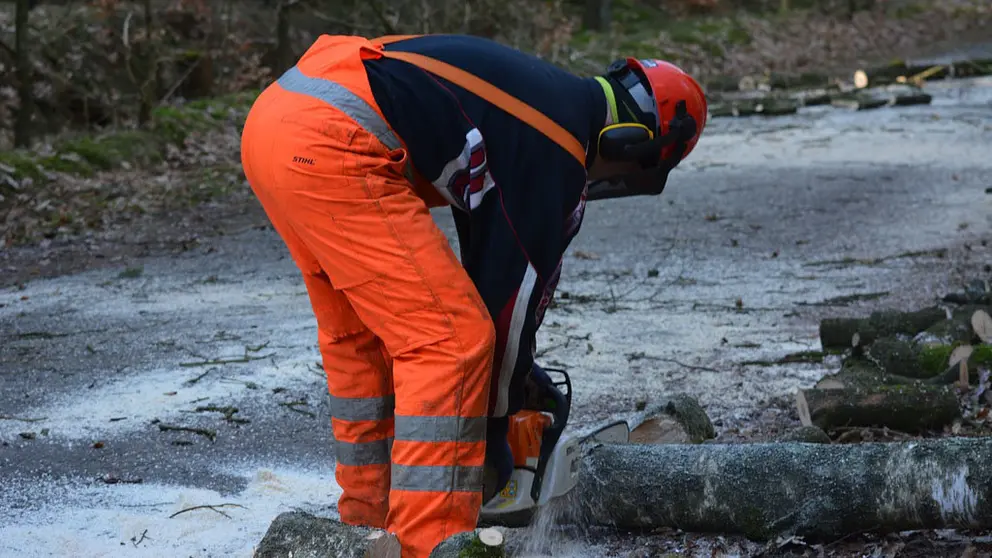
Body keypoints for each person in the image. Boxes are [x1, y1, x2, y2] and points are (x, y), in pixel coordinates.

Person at [239, 32, 707, 558]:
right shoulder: (556, 146)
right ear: (633, 144)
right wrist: (500, 423)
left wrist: (513, 390)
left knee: (365, 341)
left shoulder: (539, 97)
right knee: (452, 344)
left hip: (277, 123)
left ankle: (363, 529)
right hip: (336, 140)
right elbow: (507, 308)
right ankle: (429, 544)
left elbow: (490, 273)